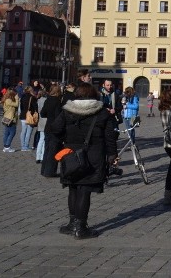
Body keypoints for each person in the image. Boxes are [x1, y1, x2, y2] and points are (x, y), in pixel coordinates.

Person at [50, 82, 117, 239]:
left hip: (71, 155)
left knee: (73, 188)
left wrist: (66, 141)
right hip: (93, 156)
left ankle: (72, 223)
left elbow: (55, 129)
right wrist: (112, 155)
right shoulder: (102, 113)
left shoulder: (67, 111)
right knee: (84, 190)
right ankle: (81, 227)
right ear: (94, 95)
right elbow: (110, 137)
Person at [40, 83, 64, 176]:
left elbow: (43, 113)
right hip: (55, 128)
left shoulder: (47, 100)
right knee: (53, 150)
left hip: (48, 126)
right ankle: (49, 171)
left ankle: (44, 170)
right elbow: (58, 116)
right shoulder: (57, 102)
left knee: (47, 149)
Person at [18, 85, 38, 151]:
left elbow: (21, 106)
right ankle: (26, 146)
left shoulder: (22, 97)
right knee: (28, 131)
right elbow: (35, 107)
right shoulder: (32, 97)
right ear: (31, 90)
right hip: (30, 116)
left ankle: (22, 146)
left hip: (23, 115)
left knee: (23, 131)